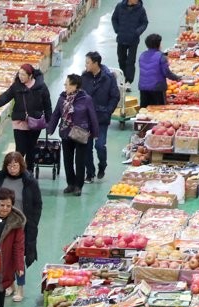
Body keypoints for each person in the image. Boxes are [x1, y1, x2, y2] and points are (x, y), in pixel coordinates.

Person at [0, 151, 42, 303]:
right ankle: (8, 285)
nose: (12, 169)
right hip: (1, 224)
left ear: (21, 165)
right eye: (10, 166)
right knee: (3, 255)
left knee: (19, 257)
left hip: (21, 226)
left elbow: (37, 204)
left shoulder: (29, 182)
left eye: (15, 165)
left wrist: (33, 222)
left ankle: (20, 288)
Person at [0, 65, 52, 174]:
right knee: (20, 150)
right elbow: (5, 97)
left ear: (30, 76)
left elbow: (48, 106)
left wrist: (50, 123)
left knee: (31, 149)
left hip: (34, 123)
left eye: (23, 75)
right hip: (19, 122)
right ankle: (18, 172)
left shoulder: (41, 87)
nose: (20, 77)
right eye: (19, 74)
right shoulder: (16, 86)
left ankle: (29, 171)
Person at [47, 74, 99, 197]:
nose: (65, 86)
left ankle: (78, 186)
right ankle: (70, 183)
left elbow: (93, 117)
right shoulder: (62, 98)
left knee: (80, 161)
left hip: (80, 133)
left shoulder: (86, 99)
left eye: (67, 84)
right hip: (65, 132)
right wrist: (50, 129)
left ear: (75, 85)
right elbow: (56, 114)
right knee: (67, 160)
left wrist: (95, 133)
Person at [81, 52, 121, 184]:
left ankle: (102, 165)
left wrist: (108, 111)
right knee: (86, 147)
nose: (86, 65)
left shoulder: (108, 77)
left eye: (88, 62)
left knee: (99, 145)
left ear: (95, 63)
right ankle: (89, 173)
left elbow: (115, 96)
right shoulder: (84, 77)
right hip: (85, 118)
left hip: (101, 117)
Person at [138, 33, 181, 109]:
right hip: (157, 88)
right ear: (158, 44)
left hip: (143, 88)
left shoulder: (142, 55)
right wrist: (177, 78)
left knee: (144, 110)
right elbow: (166, 73)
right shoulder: (161, 56)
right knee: (158, 110)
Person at [111, 0, 148, 88]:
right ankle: (123, 78)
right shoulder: (119, 6)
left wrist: (137, 32)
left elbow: (144, 22)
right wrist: (117, 30)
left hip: (133, 39)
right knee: (121, 59)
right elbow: (114, 18)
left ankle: (129, 81)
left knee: (131, 61)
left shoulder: (141, 9)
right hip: (121, 38)